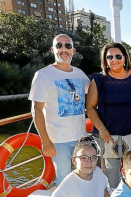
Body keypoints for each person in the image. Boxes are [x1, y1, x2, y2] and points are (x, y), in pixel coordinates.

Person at [29, 34, 90, 185]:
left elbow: (97, 93)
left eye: (67, 46)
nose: (64, 49)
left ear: (73, 51)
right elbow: (36, 109)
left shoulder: (80, 74)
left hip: (81, 138)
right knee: (64, 180)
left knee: (85, 176)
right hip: (58, 140)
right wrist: (45, 140)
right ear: (52, 50)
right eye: (59, 46)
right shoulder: (43, 75)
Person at [86, 42, 131, 188]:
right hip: (107, 137)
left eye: (118, 56)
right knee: (111, 177)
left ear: (125, 58)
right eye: (110, 57)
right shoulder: (98, 80)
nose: (114, 60)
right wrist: (102, 129)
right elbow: (90, 108)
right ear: (105, 61)